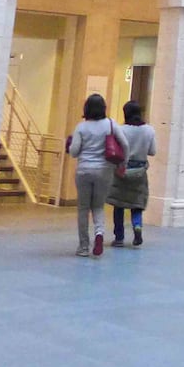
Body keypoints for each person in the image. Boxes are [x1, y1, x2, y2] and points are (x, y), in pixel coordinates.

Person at [67, 93, 120, 257]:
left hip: (84, 170)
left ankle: (83, 246)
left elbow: (74, 152)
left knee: (83, 208)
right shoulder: (110, 124)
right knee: (98, 206)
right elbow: (124, 143)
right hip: (104, 170)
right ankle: (99, 234)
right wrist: (122, 164)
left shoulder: (81, 127)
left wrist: (69, 145)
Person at [107, 100, 157, 248]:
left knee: (119, 204)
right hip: (140, 172)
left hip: (122, 169)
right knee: (137, 204)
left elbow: (115, 151)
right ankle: (137, 226)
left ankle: (119, 237)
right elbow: (152, 151)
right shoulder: (149, 130)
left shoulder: (121, 130)